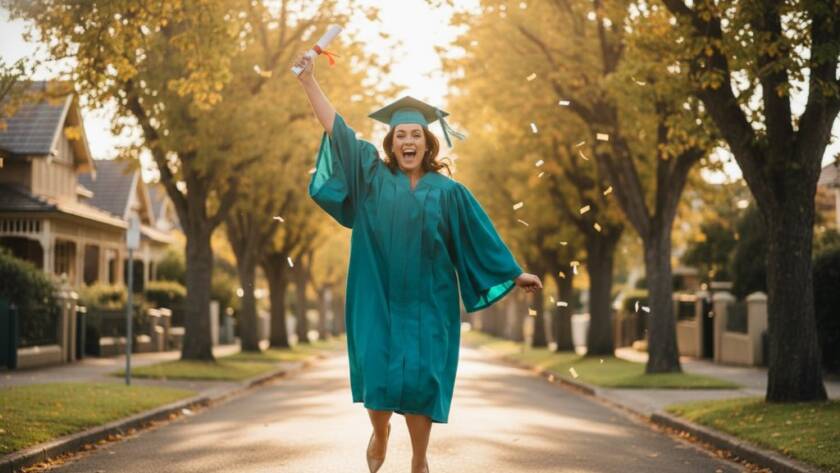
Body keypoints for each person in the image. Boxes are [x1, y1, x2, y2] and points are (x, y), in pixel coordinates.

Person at [294, 51, 543, 473]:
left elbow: (478, 236)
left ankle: (419, 460)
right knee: (378, 375)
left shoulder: (449, 193)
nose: (408, 141)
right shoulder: (371, 179)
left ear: (428, 143)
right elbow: (338, 130)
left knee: (422, 380)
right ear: (390, 143)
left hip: (430, 301)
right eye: (400, 135)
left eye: (416, 135)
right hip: (377, 297)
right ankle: (380, 429)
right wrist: (308, 81)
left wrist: (514, 273)